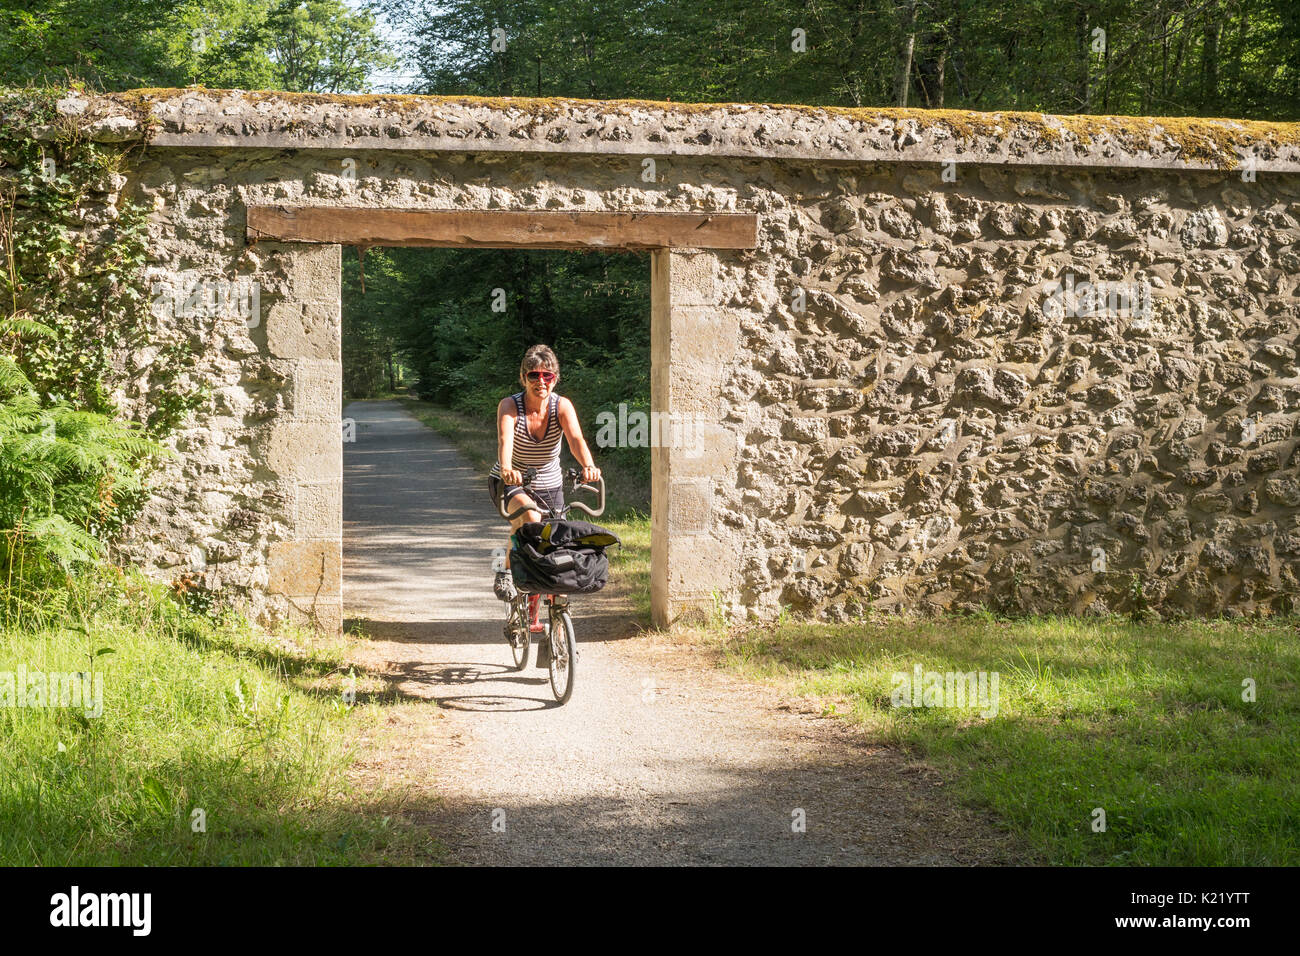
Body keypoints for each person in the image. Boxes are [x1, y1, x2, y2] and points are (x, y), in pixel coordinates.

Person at [489, 345, 601, 601]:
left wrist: (589, 466)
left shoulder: (561, 406)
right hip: (510, 481)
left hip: (550, 486)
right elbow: (504, 442)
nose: (541, 381)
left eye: (547, 375)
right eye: (534, 375)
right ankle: (504, 569)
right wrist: (507, 469)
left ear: (555, 378)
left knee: (556, 545)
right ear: (523, 378)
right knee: (529, 516)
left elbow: (576, 439)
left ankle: (555, 626)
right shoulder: (509, 405)